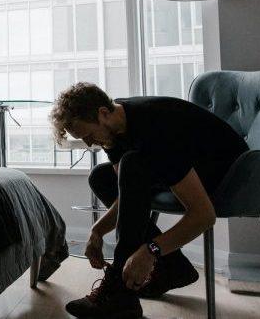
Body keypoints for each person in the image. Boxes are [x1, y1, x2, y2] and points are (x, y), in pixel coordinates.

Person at [50, 83, 249, 319]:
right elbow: (127, 195)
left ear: (103, 113)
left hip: (231, 173)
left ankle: (121, 296)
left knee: (133, 164)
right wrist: (97, 231)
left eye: (89, 135)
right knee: (102, 177)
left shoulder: (155, 129)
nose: (90, 144)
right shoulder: (113, 134)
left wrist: (151, 250)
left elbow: (204, 216)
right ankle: (174, 267)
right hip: (184, 165)